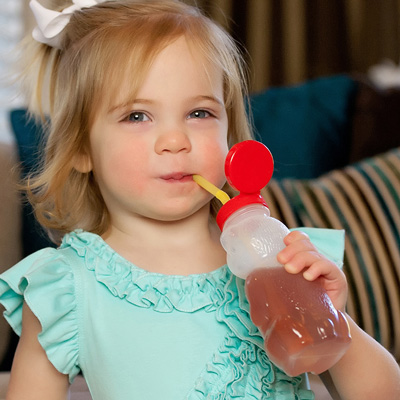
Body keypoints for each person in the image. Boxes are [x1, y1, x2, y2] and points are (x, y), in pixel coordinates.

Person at [1, 0, 399, 399]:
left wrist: (335, 321)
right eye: (137, 116)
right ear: (81, 148)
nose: (175, 141)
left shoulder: (278, 262)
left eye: (199, 113)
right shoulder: (68, 287)